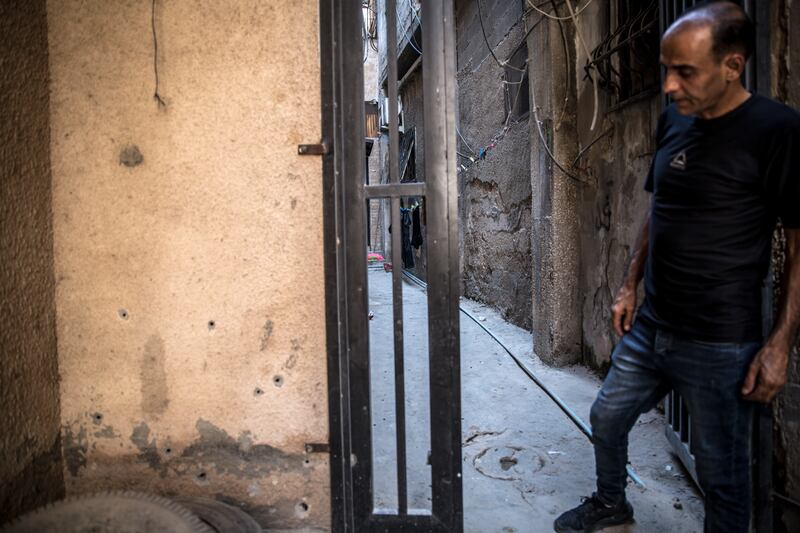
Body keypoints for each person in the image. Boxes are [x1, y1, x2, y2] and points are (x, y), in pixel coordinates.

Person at [554, 2, 800, 532]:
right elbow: (657, 209)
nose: (669, 86)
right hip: (653, 327)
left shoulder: (775, 130)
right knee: (607, 415)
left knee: (724, 481)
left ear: (732, 66)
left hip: (722, 343)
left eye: (684, 71)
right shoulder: (676, 121)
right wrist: (628, 285)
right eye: (665, 70)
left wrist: (779, 344)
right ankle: (612, 501)